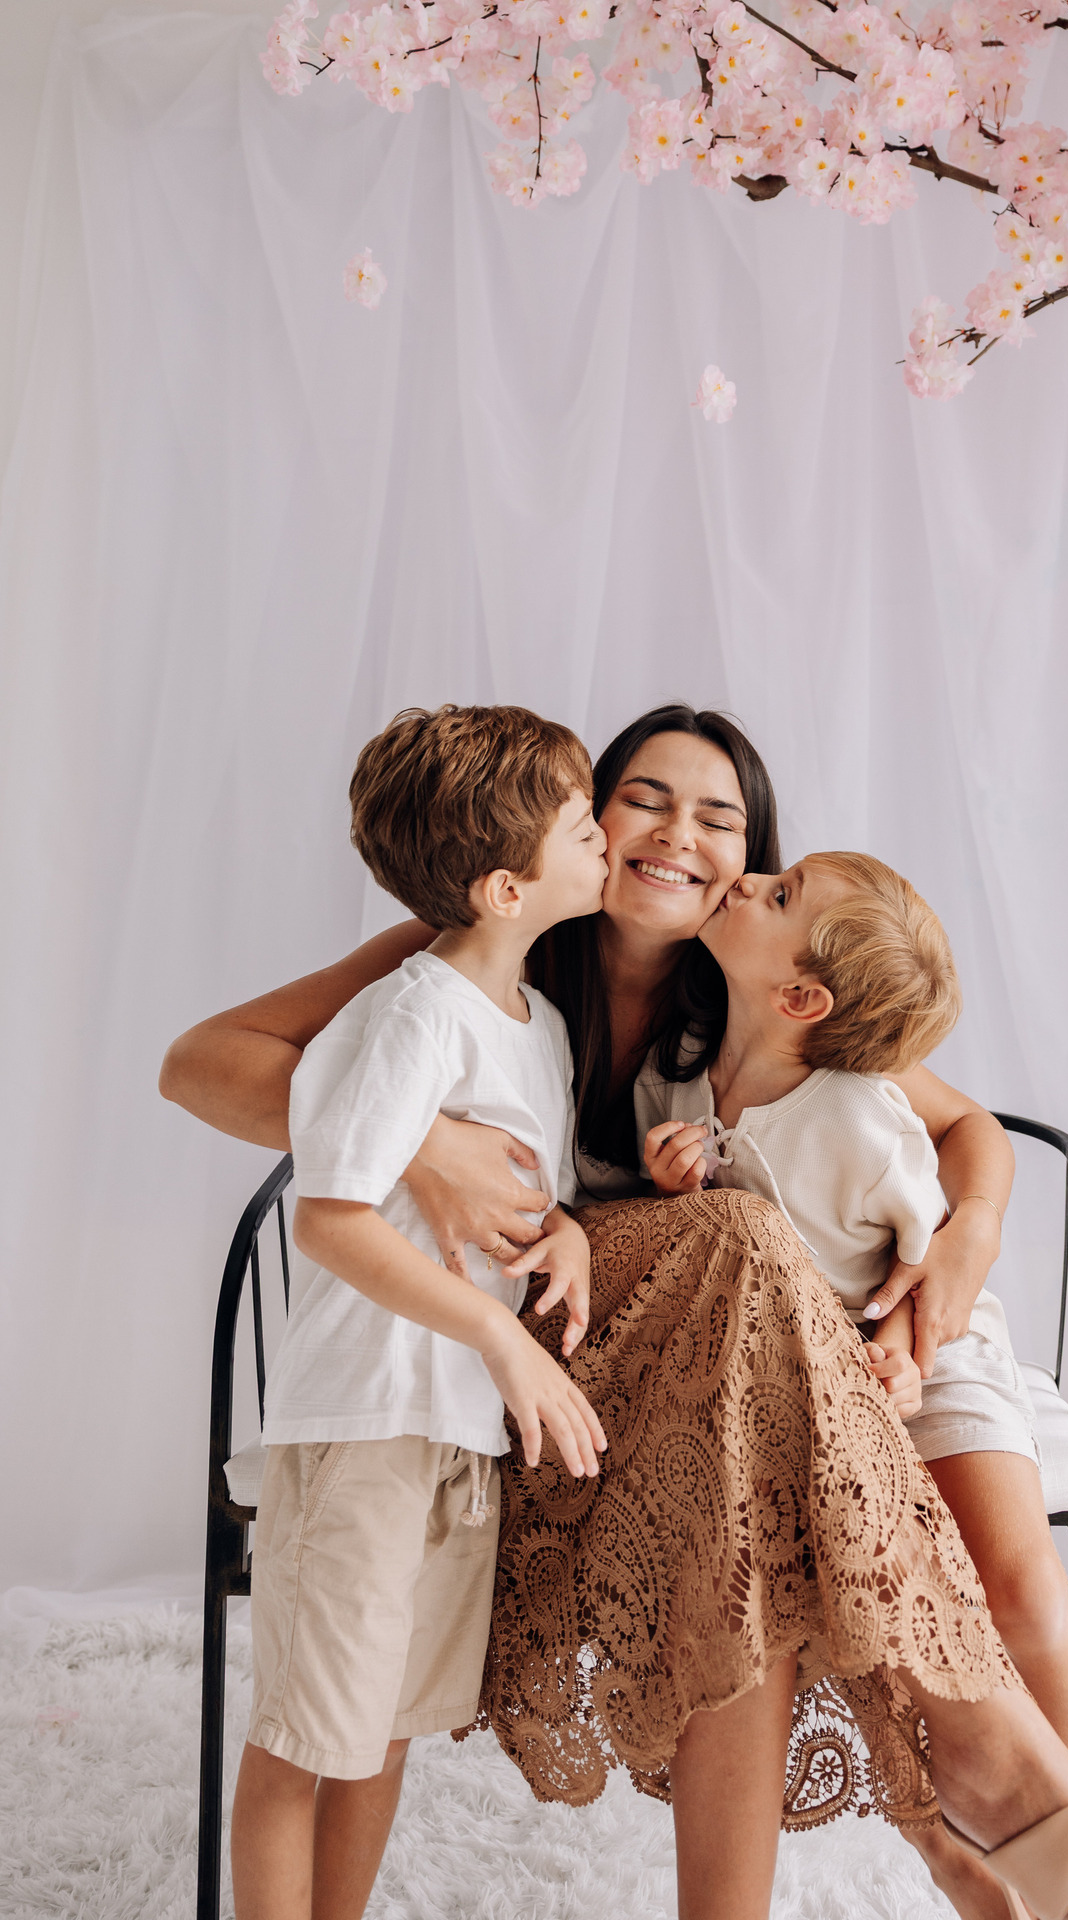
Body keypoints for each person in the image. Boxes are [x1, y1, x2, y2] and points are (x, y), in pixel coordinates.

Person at [161, 704, 1068, 1920]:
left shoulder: (758, 981)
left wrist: (965, 1239)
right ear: (581, 824)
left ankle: (985, 1827)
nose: (678, 836)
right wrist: (417, 1142)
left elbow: (961, 1126)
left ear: (748, 858)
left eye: (718, 819)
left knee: (746, 1456)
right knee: (740, 1242)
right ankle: (1017, 1815)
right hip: (571, 1348)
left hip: (745, 1368)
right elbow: (199, 1063)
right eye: (642, 801)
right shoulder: (493, 931)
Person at [636, 849, 1068, 1920]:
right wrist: (672, 1182)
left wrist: (901, 1346)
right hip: (807, 1379)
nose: (749, 879)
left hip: (925, 1347)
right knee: (851, 1585)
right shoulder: (673, 1078)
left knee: (1019, 1588)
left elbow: (926, 1258)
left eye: (779, 893)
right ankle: (960, 1844)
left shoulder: (856, 1110)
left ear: (804, 997)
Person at [229, 704, 610, 1920]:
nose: (606, 838)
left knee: (382, 1728)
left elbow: (524, 1190)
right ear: (506, 889)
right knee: (305, 1738)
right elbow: (330, 1220)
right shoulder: (412, 1013)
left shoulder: (539, 1026)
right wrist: (497, 1337)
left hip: (452, 1433)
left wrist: (563, 1232)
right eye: (584, 826)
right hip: (366, 1423)